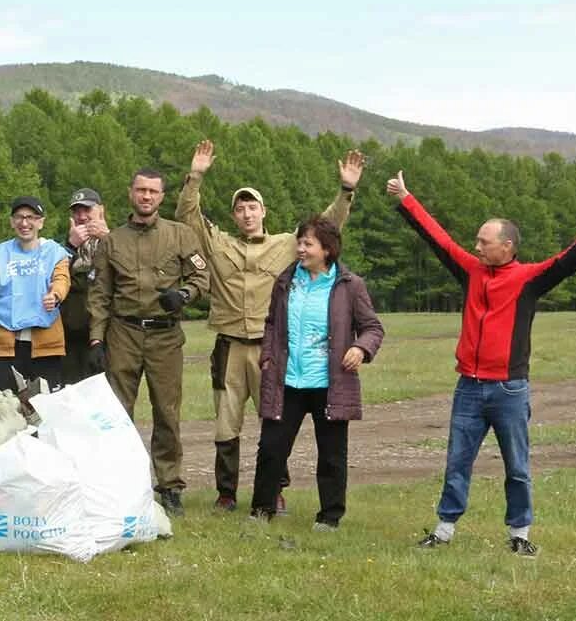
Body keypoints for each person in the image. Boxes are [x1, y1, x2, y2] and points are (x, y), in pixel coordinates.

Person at [388, 171, 576, 557]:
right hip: (468, 388)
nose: (475, 246)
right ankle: (443, 530)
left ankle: (520, 535)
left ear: (506, 246)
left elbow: (565, 263)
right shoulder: (470, 270)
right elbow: (437, 238)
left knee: (517, 467)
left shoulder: (528, 279)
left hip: (509, 388)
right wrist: (407, 198)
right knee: (457, 462)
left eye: (483, 241)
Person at [176, 140, 365, 512]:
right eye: (240, 209)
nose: (247, 214)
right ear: (233, 216)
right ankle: (226, 492)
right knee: (226, 423)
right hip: (229, 345)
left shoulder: (285, 246)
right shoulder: (218, 244)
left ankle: (273, 490)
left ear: (264, 211)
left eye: (252, 207)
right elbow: (188, 216)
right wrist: (195, 177)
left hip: (271, 348)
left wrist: (346, 190)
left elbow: (328, 226)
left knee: (275, 421)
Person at [88, 168, 210, 516]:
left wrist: (184, 294)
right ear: (131, 194)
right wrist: (97, 341)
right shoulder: (112, 241)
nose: (146, 197)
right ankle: (119, 484)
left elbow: (203, 275)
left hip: (165, 335)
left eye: (153, 192)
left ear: (161, 196)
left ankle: (170, 486)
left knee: (167, 413)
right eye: (141, 190)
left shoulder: (180, 235)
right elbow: (99, 295)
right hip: (123, 333)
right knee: (117, 414)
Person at [250, 217, 384, 529]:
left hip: (329, 383)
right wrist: (267, 356)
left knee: (332, 455)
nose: (300, 248)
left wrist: (361, 348)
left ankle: (329, 517)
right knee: (271, 449)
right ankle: (261, 511)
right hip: (287, 381)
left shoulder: (350, 286)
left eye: (308, 244)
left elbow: (372, 328)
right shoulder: (285, 281)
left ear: (327, 249)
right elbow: (271, 323)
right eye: (299, 242)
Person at [0, 197, 73, 392]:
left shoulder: (55, 253)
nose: (24, 223)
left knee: (46, 409)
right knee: (3, 407)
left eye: (31, 217)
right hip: (6, 345)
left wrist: (55, 295)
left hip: (45, 345)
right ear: (11, 221)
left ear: (41, 222)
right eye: (19, 217)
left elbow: (62, 279)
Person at [58, 188, 109, 386]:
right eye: (77, 211)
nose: (82, 216)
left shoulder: (118, 241)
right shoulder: (61, 249)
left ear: (101, 211)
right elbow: (49, 279)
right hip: (70, 337)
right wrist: (71, 246)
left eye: (87, 210)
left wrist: (107, 239)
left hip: (106, 336)